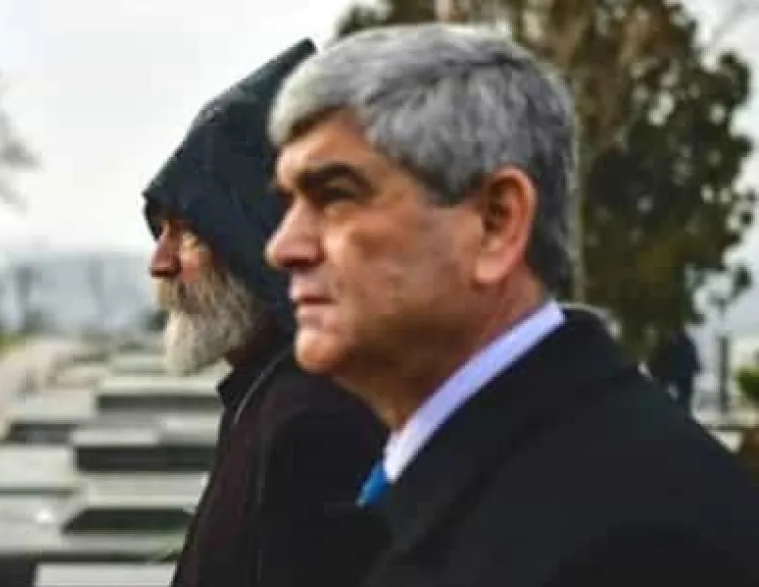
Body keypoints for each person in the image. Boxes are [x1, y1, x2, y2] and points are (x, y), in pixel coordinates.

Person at [265, 24, 759, 587]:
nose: (283, 247)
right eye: (288, 203)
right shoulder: (500, 485)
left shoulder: (632, 541)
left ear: (496, 224)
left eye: (335, 196)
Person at [142, 39, 386, 587]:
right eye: (161, 232)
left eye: (188, 233)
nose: (160, 263)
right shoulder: (267, 391)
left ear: (256, 238)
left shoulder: (315, 424)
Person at [648, 328, 701, 411]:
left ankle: (676, 412)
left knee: (681, 397)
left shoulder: (683, 342)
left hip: (676, 369)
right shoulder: (684, 342)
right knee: (681, 397)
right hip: (674, 369)